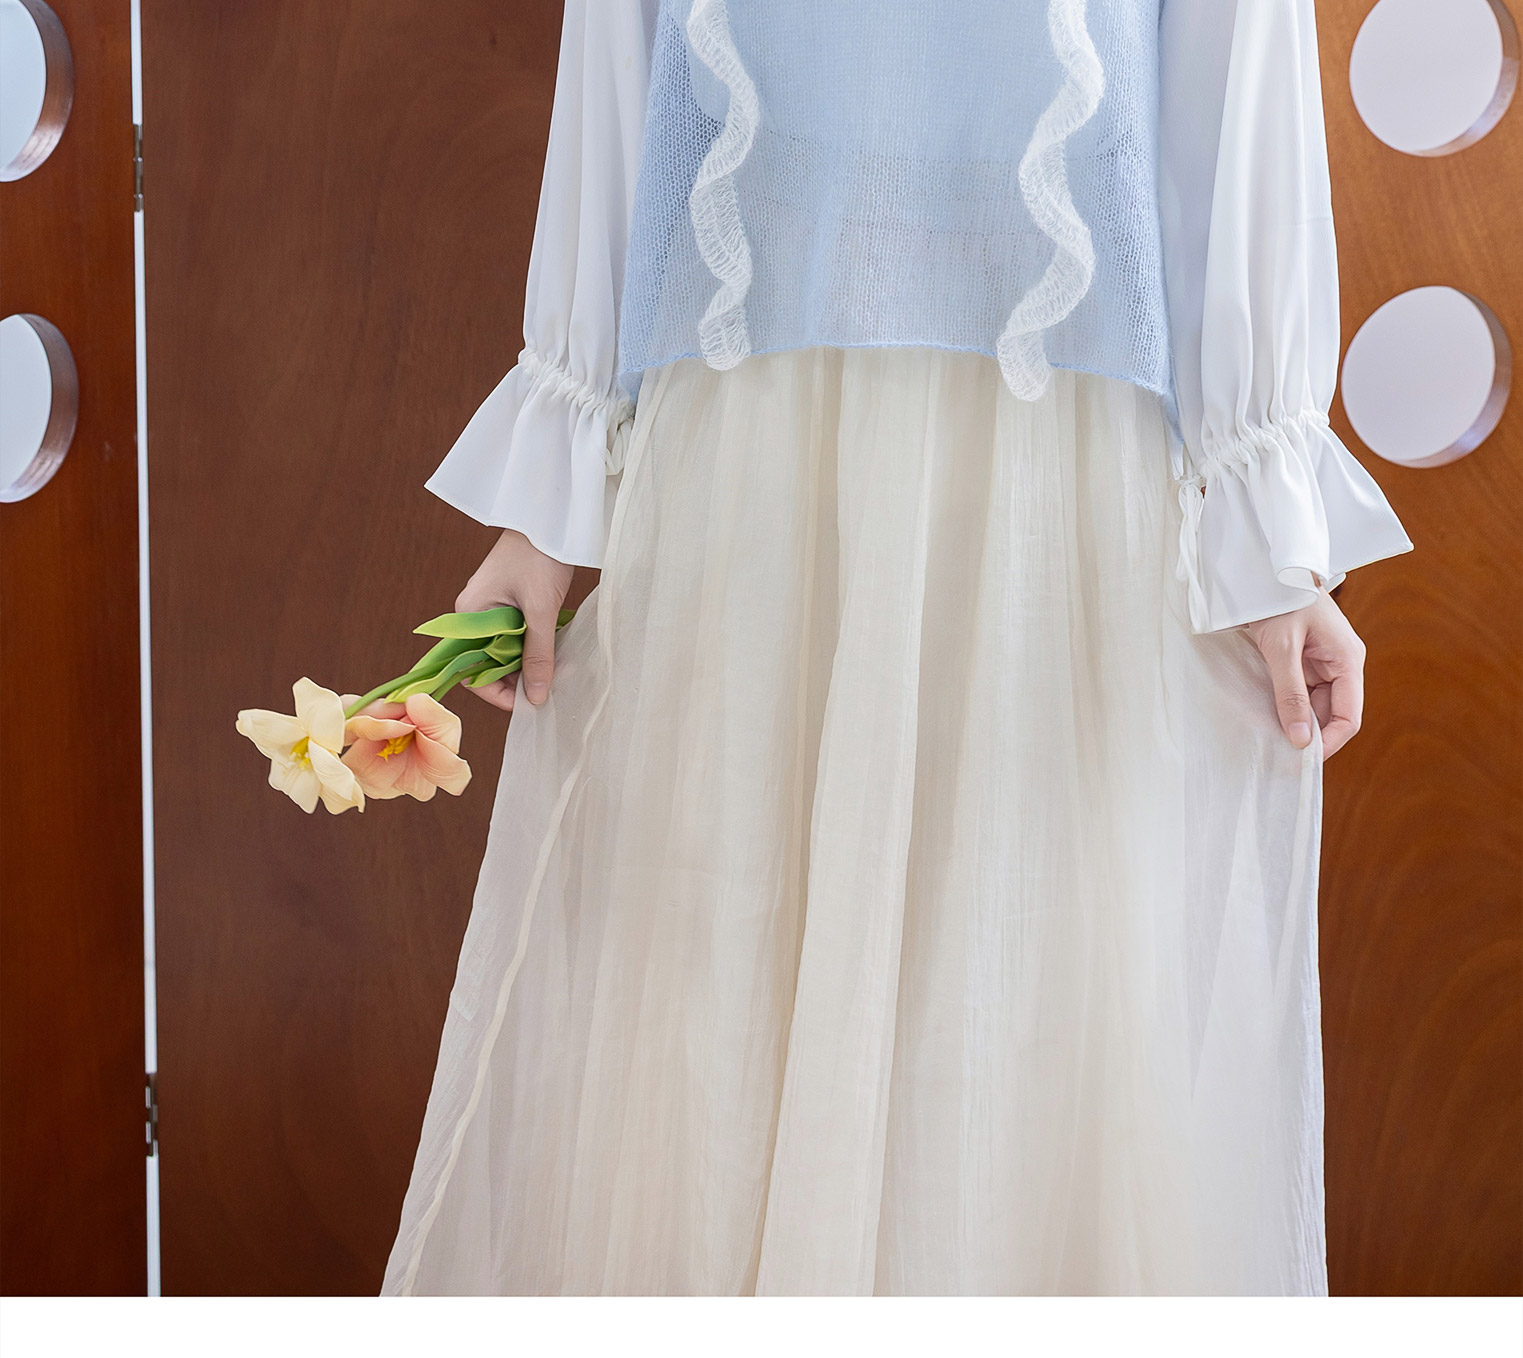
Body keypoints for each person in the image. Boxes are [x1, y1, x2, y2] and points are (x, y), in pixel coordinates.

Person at [382, 0, 1412, 1295]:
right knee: (726, 959)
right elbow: (621, 59)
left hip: (1056, 448)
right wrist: (550, 497)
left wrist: (1268, 535)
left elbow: (1229, 83)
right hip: (758, 422)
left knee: (1029, 993)